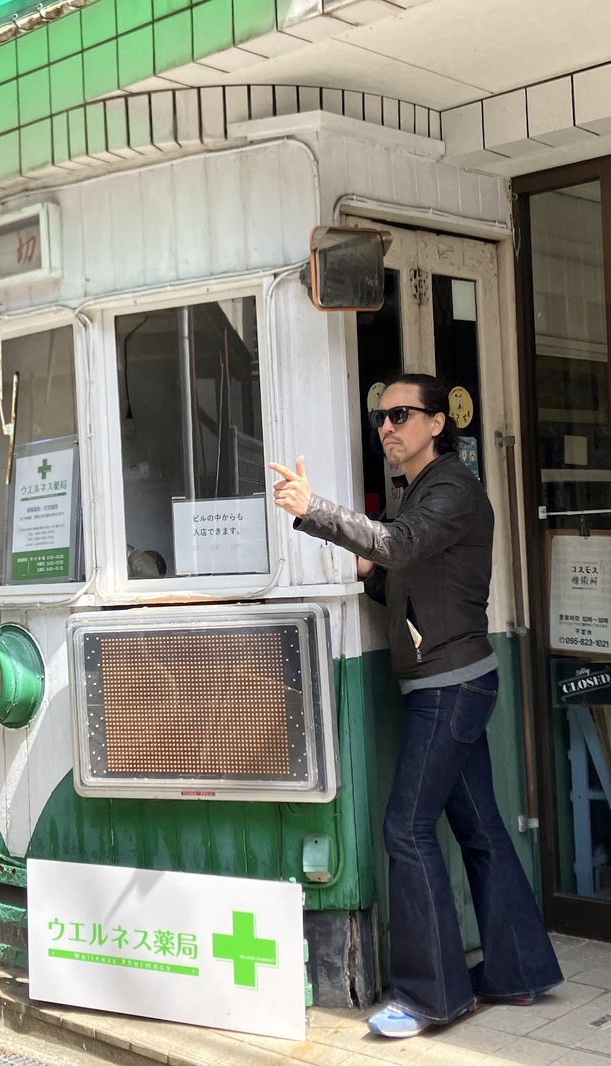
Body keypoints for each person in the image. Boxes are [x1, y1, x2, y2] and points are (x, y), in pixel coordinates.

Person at [270, 373, 562, 1039]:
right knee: (481, 830)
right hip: (452, 683)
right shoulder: (423, 492)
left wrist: (316, 511)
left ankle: (433, 998)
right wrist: (369, 572)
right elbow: (401, 580)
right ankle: (518, 970)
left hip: (449, 687)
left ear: (437, 423)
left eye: (401, 414)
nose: (387, 427)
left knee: (406, 829)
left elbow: (399, 545)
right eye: (381, 416)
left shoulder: (451, 487)